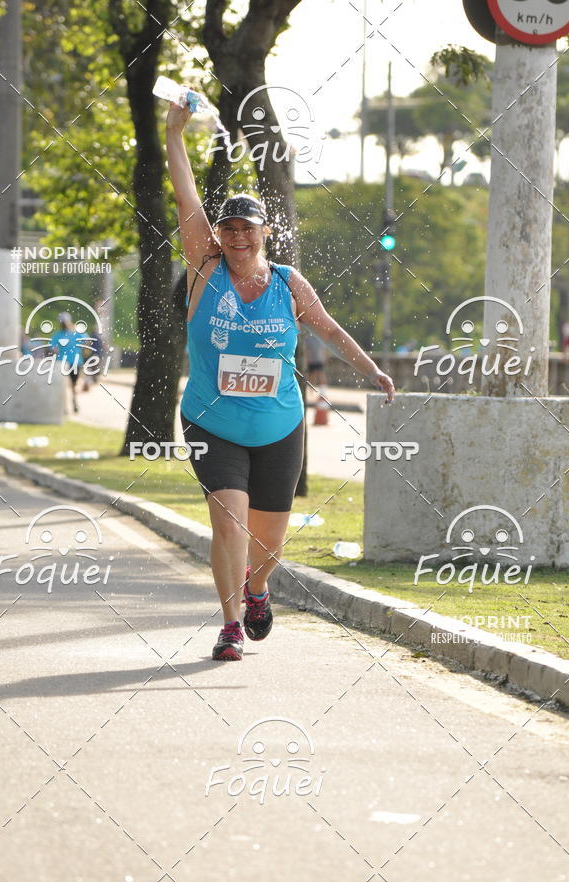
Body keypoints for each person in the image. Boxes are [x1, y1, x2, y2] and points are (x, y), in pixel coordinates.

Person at [165, 99, 395, 662]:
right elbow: (185, 196)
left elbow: (333, 331)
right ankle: (229, 626)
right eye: (229, 228)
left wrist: (371, 370)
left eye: (249, 228)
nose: (238, 237)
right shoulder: (204, 268)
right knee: (230, 522)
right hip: (210, 421)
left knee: (268, 542)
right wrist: (174, 134)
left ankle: (258, 588)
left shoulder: (290, 283)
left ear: (266, 232)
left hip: (278, 426)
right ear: (216, 236)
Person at [49, 312, 88, 413]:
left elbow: (52, 348)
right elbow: (87, 342)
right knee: (71, 385)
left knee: (66, 385)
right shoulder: (75, 333)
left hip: (65, 362)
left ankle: (67, 405)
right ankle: (71, 403)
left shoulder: (58, 334)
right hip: (73, 362)